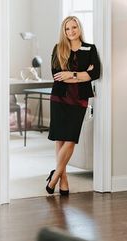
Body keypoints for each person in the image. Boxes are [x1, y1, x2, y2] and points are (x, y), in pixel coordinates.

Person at [46, 16, 100, 195]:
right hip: (59, 99)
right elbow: (56, 74)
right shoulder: (58, 48)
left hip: (79, 100)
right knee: (60, 138)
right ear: (64, 31)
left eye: (74, 27)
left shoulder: (90, 48)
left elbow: (96, 73)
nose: (71, 31)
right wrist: (82, 73)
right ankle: (63, 179)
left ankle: (54, 175)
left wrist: (71, 74)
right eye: (67, 29)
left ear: (79, 28)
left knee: (71, 138)